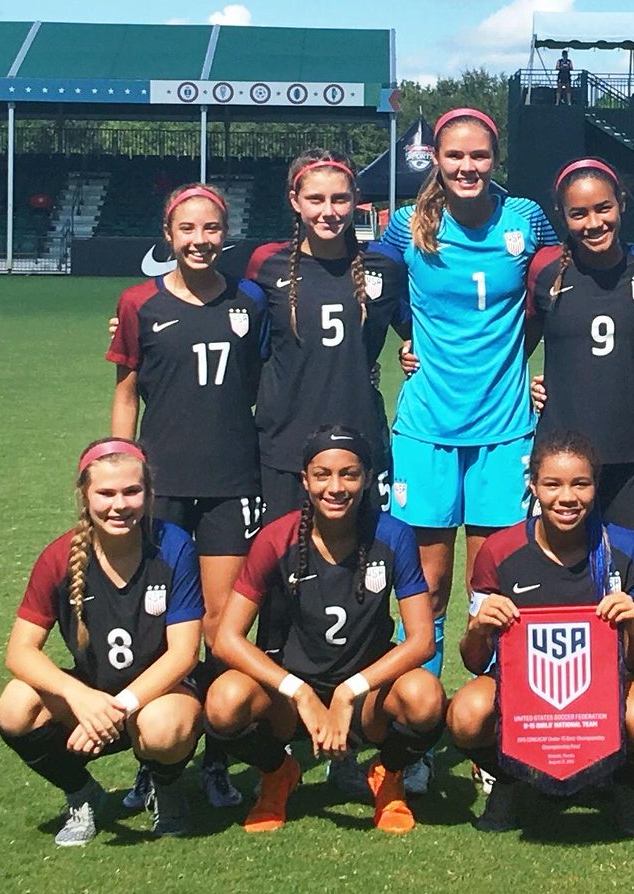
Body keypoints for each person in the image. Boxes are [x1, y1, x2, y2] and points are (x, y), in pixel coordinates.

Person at [380, 108, 558, 714]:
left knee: (498, 590)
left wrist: (545, 366)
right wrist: (405, 336)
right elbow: (368, 284)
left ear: (494, 157)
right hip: (427, 428)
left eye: (478, 155)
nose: (467, 166)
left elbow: (568, 290)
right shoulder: (407, 226)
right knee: (427, 589)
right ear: (435, 157)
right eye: (455, 155)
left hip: (506, 431)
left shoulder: (526, 218)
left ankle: (500, 725)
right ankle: (416, 722)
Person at [106, 182, 269, 809]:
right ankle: (157, 758)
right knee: (159, 628)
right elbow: (126, 393)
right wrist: (120, 469)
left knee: (218, 626)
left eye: (211, 230)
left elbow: (260, 382)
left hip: (232, 486)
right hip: (162, 488)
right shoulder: (138, 302)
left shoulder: (248, 300)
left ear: (224, 234)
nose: (200, 241)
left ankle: (219, 758)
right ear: (168, 235)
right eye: (187, 231)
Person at [204, 426, 445, 834]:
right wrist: (298, 692)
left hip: (364, 699)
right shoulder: (276, 538)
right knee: (224, 701)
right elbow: (226, 638)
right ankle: (278, 772)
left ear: (368, 478)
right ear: (305, 480)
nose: (336, 487)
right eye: (323, 475)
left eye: (349, 474)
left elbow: (421, 640)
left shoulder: (392, 534)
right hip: (293, 699)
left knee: (425, 697)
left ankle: (388, 776)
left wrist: (351, 690)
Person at [447, 430, 634, 837]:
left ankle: (622, 782)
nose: (567, 497)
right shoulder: (499, 549)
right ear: (533, 485)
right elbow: (473, 661)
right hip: (522, 687)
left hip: (603, 687)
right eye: (552, 484)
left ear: (595, 486)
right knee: (466, 713)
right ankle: (511, 779)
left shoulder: (623, 547)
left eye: (580, 483)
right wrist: (480, 627)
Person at [0, 439, 204, 845]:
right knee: (15, 707)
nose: (119, 505)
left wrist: (117, 708)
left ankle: (164, 787)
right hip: (93, 694)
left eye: (132, 491)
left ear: (150, 494)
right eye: (106, 493)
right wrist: (80, 697)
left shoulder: (174, 545)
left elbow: (184, 654)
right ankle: (82, 793)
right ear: (84, 495)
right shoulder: (58, 557)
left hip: (161, 696)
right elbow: (19, 651)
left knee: (164, 728)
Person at [245, 149, 407, 522]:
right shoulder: (266, 264)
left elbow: (423, 326)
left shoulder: (384, 263)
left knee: (361, 567)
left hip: (360, 441)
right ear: (294, 201)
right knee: (282, 567)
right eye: (315, 199)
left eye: (340, 198)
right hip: (284, 444)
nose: (328, 211)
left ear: (356, 200)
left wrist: (410, 345)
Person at [526, 157, 634, 552]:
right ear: (561, 216)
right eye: (578, 213)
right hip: (560, 459)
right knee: (558, 572)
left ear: (620, 202)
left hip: (630, 453)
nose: (593, 223)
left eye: (603, 208)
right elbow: (512, 345)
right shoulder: (544, 270)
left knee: (630, 578)